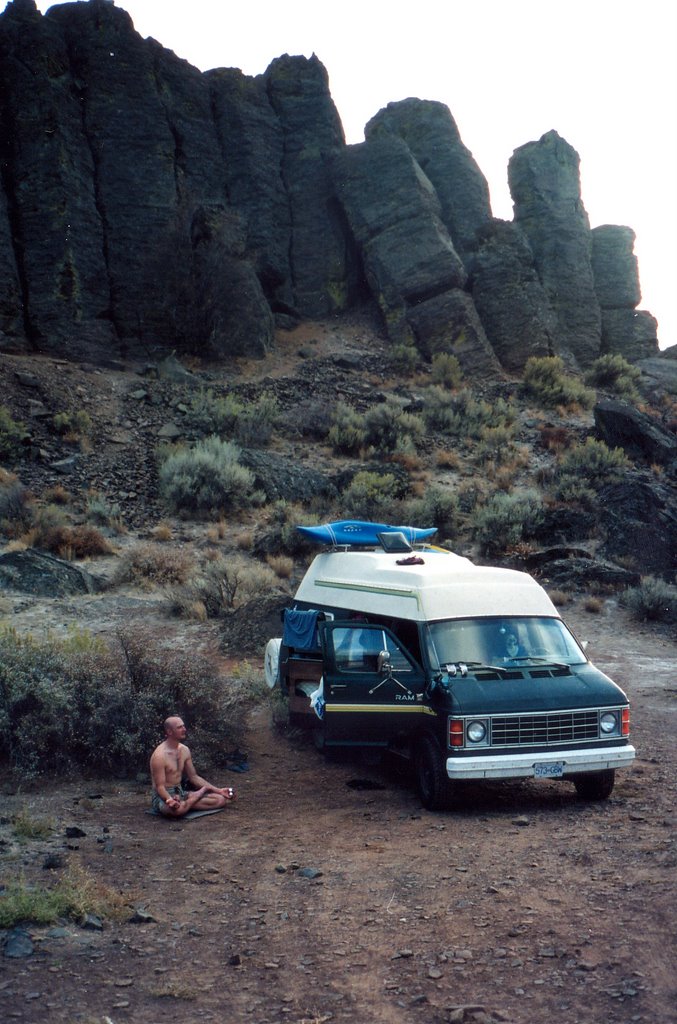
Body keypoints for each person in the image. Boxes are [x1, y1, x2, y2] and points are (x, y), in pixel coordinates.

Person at [150, 716, 235, 817]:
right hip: (162, 797)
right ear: (169, 731)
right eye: (179, 727)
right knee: (177, 810)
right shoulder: (159, 756)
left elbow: (194, 777)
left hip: (180, 793)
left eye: (183, 726)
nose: (184, 729)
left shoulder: (184, 750)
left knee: (220, 800)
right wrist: (169, 799)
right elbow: (160, 787)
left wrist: (218, 790)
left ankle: (187, 803)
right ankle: (194, 797)